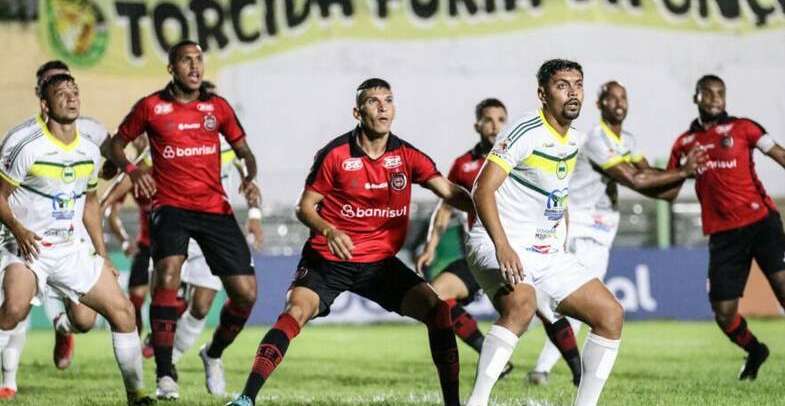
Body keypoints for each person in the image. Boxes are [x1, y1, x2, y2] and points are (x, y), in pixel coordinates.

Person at [227, 78, 473, 406]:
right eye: (374, 101)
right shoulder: (335, 155)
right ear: (358, 112)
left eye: (388, 99)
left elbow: (450, 192)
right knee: (295, 312)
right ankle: (246, 398)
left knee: (438, 311)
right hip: (327, 260)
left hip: (378, 265)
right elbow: (305, 207)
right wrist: (329, 231)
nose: (383, 106)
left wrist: (486, 208)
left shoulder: (407, 156)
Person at [108, 40, 261, 400]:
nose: (195, 67)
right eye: (186, 61)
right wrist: (132, 168)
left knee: (245, 294)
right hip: (170, 207)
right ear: (171, 68)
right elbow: (115, 145)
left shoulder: (217, 108)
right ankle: (165, 373)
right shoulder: (151, 107)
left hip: (214, 210)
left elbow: (245, 152)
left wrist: (249, 178)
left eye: (199, 60)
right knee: (167, 276)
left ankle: (214, 353)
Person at [465, 59, 623, 406]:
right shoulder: (526, 131)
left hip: (546, 250)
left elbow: (555, 195)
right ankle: (476, 402)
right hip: (498, 240)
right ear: (542, 93)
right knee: (522, 305)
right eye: (562, 85)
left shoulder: (575, 141)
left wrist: (559, 238)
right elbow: (482, 189)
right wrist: (503, 246)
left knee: (609, 315)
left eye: (578, 84)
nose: (573, 92)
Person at [528, 81, 706, 385]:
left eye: (623, 97)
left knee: (572, 303)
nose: (619, 103)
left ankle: (544, 362)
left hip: (601, 233)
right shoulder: (597, 138)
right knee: (578, 301)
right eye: (612, 98)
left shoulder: (630, 140)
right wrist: (684, 172)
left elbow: (656, 184)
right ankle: (544, 368)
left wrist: (683, 175)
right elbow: (636, 180)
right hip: (580, 228)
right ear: (600, 105)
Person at [0, 73, 155, 405]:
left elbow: (90, 203)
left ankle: (137, 394)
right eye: (61, 93)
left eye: (75, 92)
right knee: (13, 308)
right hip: (28, 246)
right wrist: (18, 230)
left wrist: (102, 254)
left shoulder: (87, 149)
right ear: (45, 104)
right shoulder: (25, 144)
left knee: (121, 313)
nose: (71, 98)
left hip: (71, 248)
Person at [665, 74, 785, 380]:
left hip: (761, 223)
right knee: (724, 313)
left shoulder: (745, 128)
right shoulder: (684, 143)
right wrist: (682, 170)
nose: (716, 98)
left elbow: (779, 153)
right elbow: (668, 191)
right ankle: (755, 350)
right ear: (697, 97)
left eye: (721, 93)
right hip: (723, 236)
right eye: (709, 92)